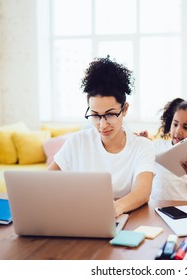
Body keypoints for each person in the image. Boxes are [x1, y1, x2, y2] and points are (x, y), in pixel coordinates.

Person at [48, 56, 155, 216]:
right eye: (95, 115)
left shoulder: (142, 146)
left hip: (122, 219)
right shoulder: (77, 141)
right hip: (78, 216)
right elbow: (45, 181)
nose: (102, 125)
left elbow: (142, 192)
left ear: (124, 109)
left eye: (110, 115)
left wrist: (114, 209)